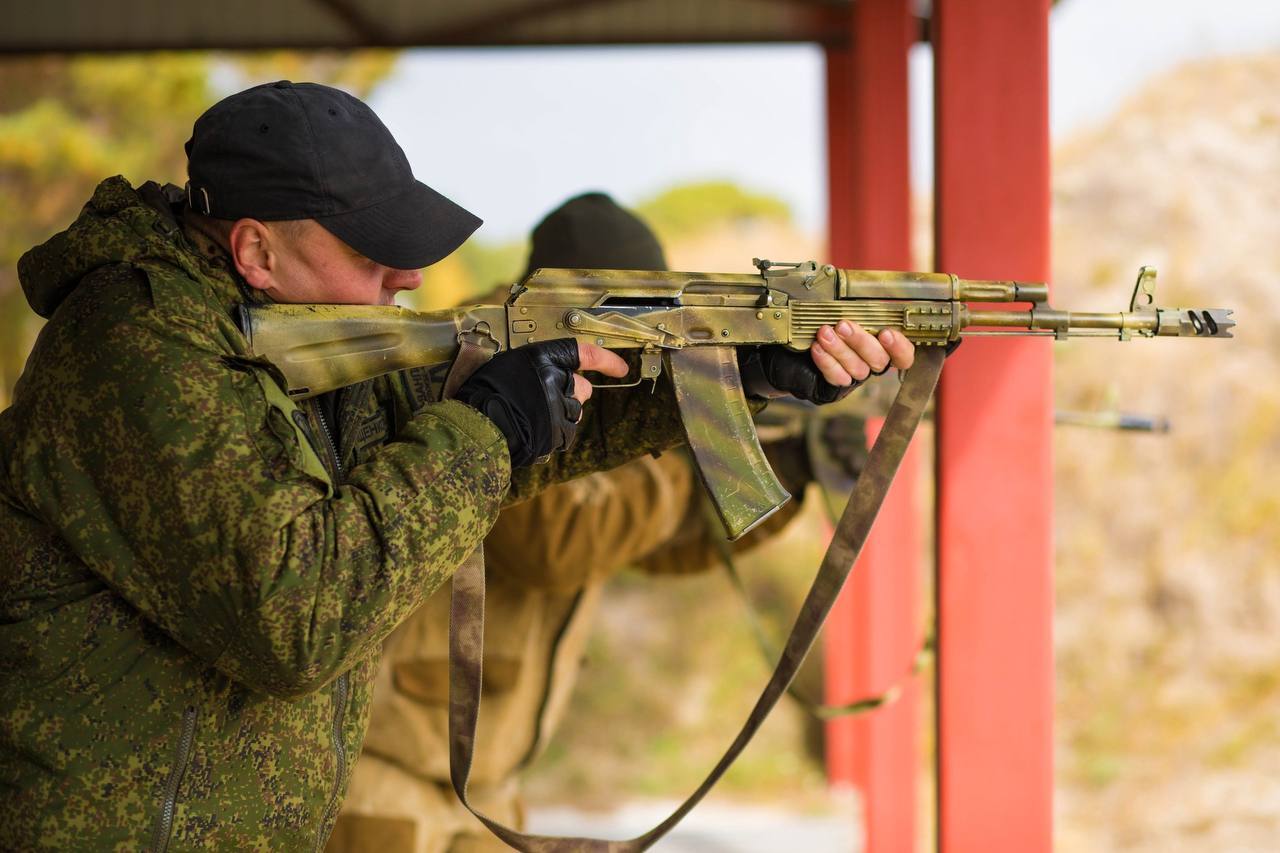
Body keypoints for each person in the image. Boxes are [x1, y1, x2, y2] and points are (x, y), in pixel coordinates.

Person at [0, 82, 913, 850]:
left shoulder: (302, 335)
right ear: (255, 251)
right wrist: (489, 428)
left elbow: (533, 431)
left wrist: (735, 374)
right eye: (371, 249)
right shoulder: (137, 348)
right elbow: (297, 618)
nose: (408, 277)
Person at [328, 192, 832, 853]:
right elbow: (556, 543)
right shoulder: (491, 366)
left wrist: (785, 464)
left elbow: (655, 549)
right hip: (391, 788)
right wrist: (684, 445)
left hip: (481, 791)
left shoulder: (566, 376)